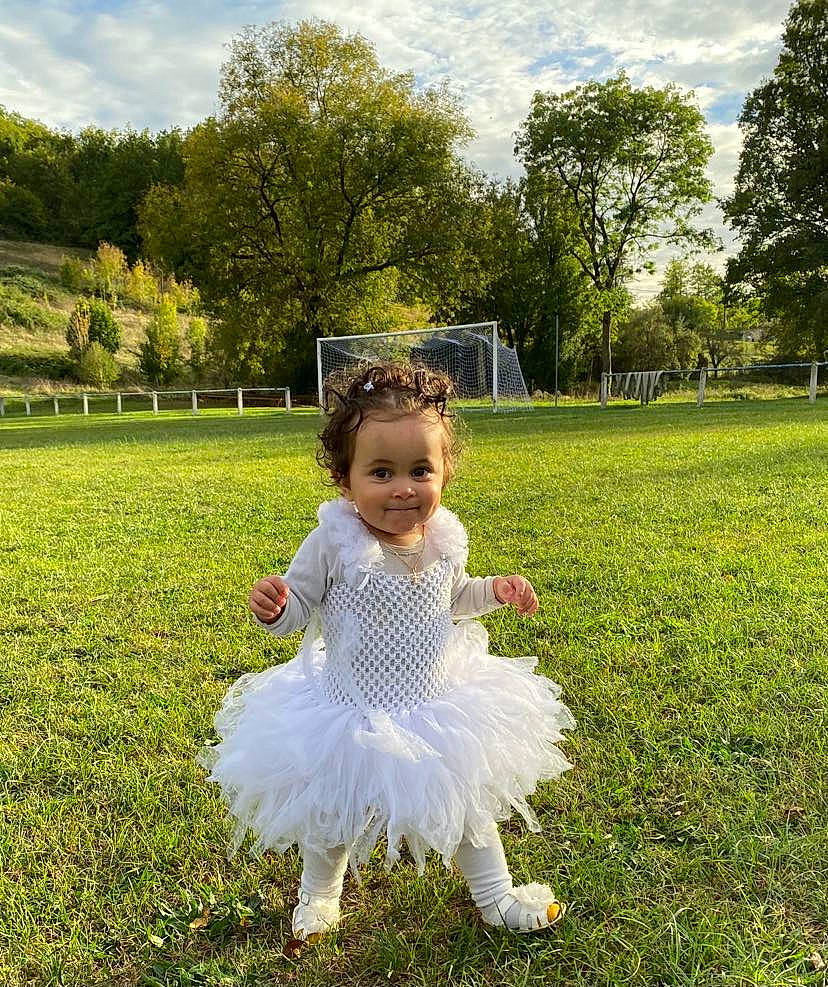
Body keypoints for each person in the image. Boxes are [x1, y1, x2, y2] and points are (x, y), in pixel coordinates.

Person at [197, 362, 575, 940]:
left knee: (465, 802)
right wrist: (277, 606)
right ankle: (319, 893)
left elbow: (452, 599)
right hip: (351, 708)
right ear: (344, 480)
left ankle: (496, 894)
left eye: (420, 469)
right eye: (381, 471)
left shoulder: (444, 535)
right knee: (333, 809)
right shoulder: (334, 541)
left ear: (445, 471)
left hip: (435, 703)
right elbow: (301, 604)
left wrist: (492, 593)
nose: (403, 487)